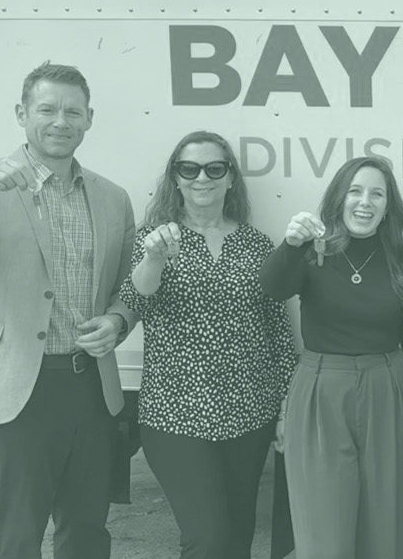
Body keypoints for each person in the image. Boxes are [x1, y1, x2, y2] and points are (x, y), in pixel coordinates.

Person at [0, 61, 137, 559]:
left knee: (86, 530)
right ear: (22, 113)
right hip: (15, 387)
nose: (61, 121)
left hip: (88, 386)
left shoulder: (112, 197)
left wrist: (118, 320)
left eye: (73, 111)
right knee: (17, 533)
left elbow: (126, 287)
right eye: (47, 109)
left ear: (89, 119)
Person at [118, 131, 295, 559]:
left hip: (249, 414)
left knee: (237, 538)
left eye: (215, 169)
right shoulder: (155, 239)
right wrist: (155, 258)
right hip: (176, 415)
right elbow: (133, 298)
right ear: (175, 178)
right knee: (208, 539)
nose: (203, 178)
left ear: (230, 178)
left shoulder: (256, 244)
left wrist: (288, 407)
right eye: (189, 169)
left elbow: (278, 330)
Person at [260, 156, 403, 559]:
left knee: (385, 525)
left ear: (389, 205)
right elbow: (271, 288)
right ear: (338, 198)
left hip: (387, 390)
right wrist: (290, 244)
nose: (365, 202)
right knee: (324, 530)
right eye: (355, 191)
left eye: (377, 193)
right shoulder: (311, 252)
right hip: (321, 393)